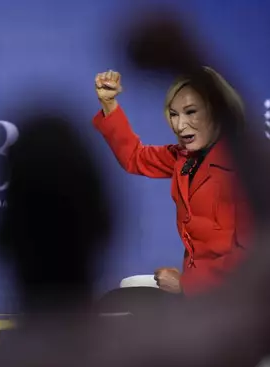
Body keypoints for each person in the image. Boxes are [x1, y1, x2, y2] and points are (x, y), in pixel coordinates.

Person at [92, 67, 249, 297]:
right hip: (197, 296)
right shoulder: (183, 158)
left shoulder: (243, 170)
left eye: (191, 112)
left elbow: (251, 255)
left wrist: (189, 284)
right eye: (174, 114)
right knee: (120, 295)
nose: (179, 125)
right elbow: (135, 158)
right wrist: (109, 105)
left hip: (230, 298)